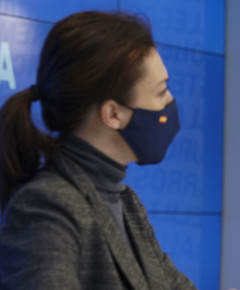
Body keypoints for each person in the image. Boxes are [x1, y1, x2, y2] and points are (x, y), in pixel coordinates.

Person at [0, 11, 195, 289]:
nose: (170, 101)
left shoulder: (127, 202)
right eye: (161, 91)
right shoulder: (44, 207)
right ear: (113, 114)